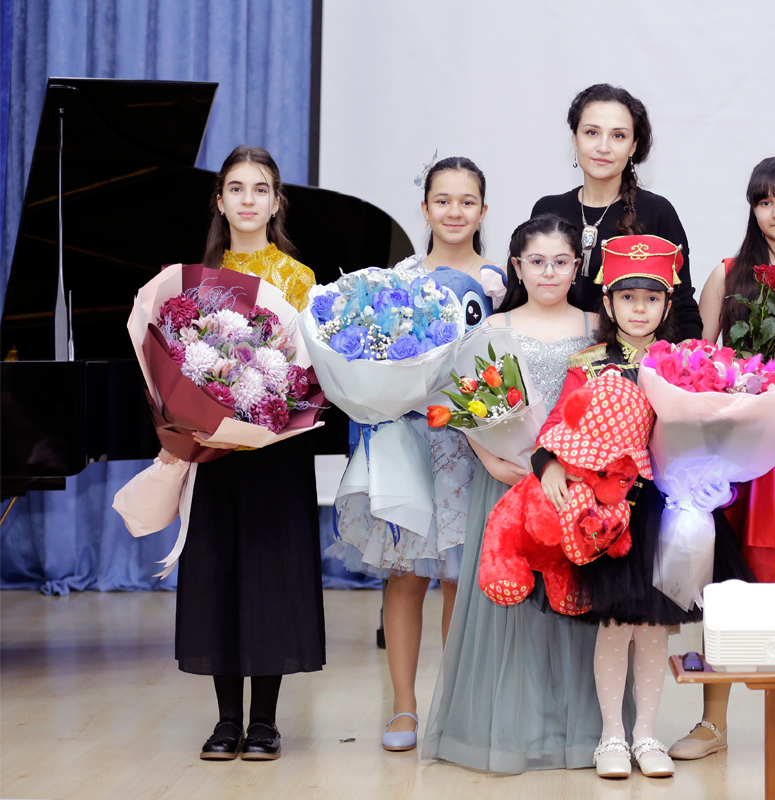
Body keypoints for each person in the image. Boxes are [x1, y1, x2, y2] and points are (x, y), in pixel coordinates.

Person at [531, 235, 753, 780]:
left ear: (667, 303)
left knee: (655, 626)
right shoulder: (588, 364)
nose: (639, 309)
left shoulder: (685, 364)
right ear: (607, 304)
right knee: (615, 624)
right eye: (627, 298)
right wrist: (550, 463)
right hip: (609, 512)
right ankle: (612, 735)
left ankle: (647, 734)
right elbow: (558, 422)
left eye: (651, 299)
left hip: (665, 509)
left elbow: (704, 430)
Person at [325, 157, 502, 752]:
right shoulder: (394, 281)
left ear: (483, 210)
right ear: (424, 208)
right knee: (404, 577)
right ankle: (404, 708)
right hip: (408, 443)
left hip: (472, 446)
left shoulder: (501, 283)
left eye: (467, 201)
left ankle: (453, 706)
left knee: (458, 580)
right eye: (442, 200)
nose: (454, 211)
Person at [423, 214, 605, 772]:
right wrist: (494, 460)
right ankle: (507, 730)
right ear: (517, 267)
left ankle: (577, 730)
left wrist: (576, 469)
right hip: (503, 482)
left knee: (574, 601)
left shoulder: (598, 327)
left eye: (560, 261)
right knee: (511, 600)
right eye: (537, 262)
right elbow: (463, 403)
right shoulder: (493, 328)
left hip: (575, 487)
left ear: (577, 266)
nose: (549, 272)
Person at [163, 145, 324, 761]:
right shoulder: (191, 280)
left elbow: (307, 370)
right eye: (237, 188)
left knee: (269, 575)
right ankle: (226, 719)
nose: (248, 199)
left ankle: (264, 722)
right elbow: (176, 364)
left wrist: (272, 405)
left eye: (260, 189)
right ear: (220, 200)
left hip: (276, 448)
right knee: (218, 572)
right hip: (214, 449)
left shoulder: (300, 278)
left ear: (277, 202)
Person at [675, 155, 775, 761]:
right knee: (729, 580)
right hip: (743, 441)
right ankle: (712, 722)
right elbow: (699, 362)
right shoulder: (728, 273)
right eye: (764, 201)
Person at [531, 83, 702, 340]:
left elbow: (683, 309)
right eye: (591, 132)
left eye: (618, 136)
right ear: (575, 138)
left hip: (634, 360)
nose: (603, 147)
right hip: (553, 353)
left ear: (633, 146)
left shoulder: (657, 212)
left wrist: (678, 361)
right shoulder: (547, 210)